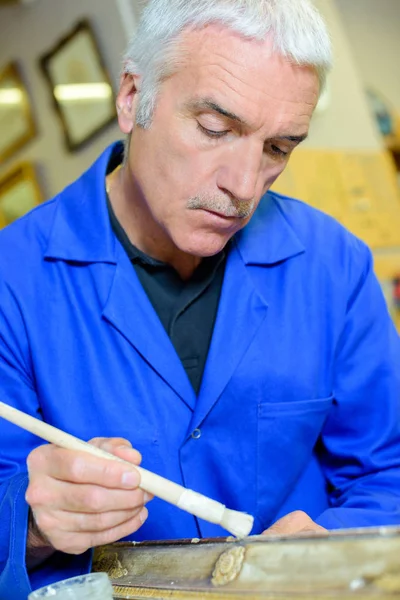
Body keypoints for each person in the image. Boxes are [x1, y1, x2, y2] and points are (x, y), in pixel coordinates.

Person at [1, 0, 400, 597]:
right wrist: (31, 524)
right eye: (216, 129)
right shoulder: (13, 279)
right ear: (134, 97)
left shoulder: (334, 266)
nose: (243, 188)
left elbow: (388, 472)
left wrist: (328, 544)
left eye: (278, 149)